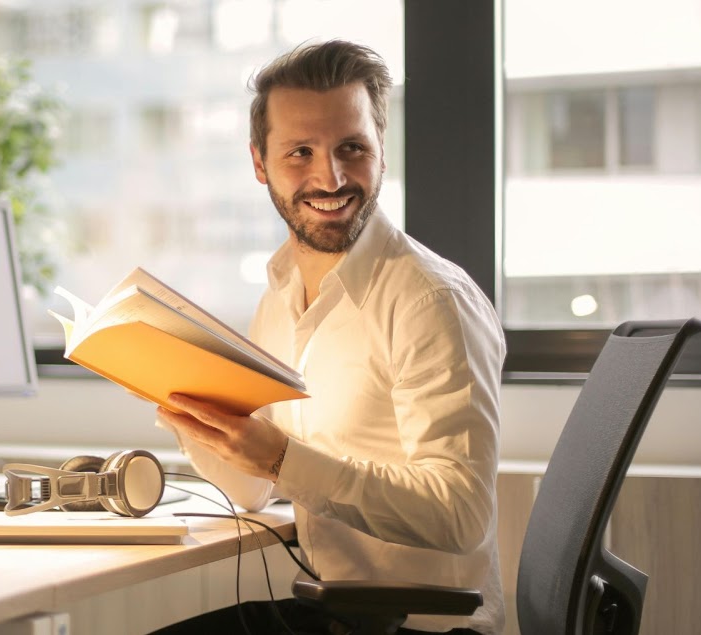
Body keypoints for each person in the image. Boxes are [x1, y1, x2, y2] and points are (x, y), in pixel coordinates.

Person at [155, 40, 505, 635]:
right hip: (335, 613)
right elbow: (250, 492)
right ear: (259, 163)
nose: (330, 176)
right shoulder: (281, 292)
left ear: (381, 152)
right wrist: (188, 412)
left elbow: (461, 514)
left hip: (428, 628)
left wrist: (281, 456)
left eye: (352, 147)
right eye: (300, 152)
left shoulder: (431, 300)